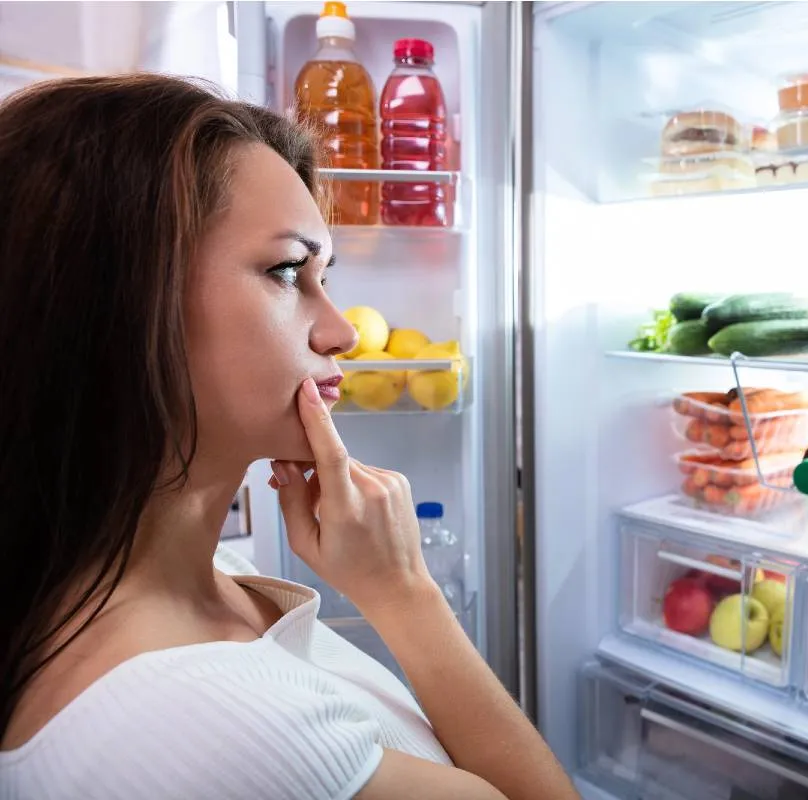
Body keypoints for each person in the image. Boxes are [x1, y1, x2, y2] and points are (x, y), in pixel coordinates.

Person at [0, 73, 578, 800]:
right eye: (286, 271)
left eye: (325, 277)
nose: (339, 331)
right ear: (119, 304)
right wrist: (405, 594)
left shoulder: (204, 583)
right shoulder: (208, 728)